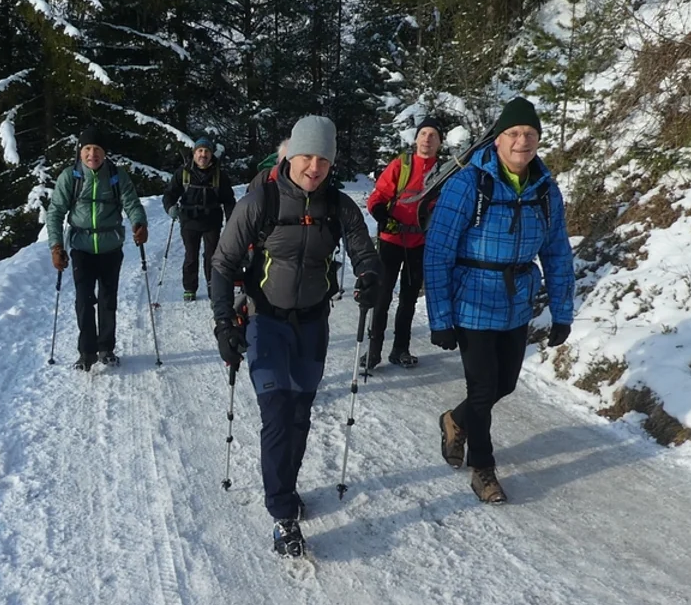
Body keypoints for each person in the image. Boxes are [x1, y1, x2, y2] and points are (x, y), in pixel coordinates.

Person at [210, 116, 381, 557]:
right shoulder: (259, 201)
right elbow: (223, 263)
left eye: (323, 159)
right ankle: (282, 513)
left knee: (301, 412)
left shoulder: (339, 205)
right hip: (265, 321)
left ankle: (286, 484)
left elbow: (363, 247)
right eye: (307, 156)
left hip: (312, 323)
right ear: (291, 155)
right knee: (277, 410)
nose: (314, 167)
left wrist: (370, 273)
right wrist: (224, 323)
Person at [423, 97, 574, 504]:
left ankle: (454, 420)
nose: (521, 141)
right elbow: (437, 251)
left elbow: (558, 251)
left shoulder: (545, 189)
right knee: (483, 386)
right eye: (513, 133)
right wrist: (441, 318)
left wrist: (562, 311)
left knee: (503, 384)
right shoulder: (468, 184)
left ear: (539, 139)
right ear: (498, 138)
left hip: (517, 300)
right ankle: (483, 470)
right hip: (471, 298)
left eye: (529, 133)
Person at [47, 125, 149, 371]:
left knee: (107, 299)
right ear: (80, 151)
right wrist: (56, 246)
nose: (92, 154)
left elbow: (132, 204)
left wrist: (139, 223)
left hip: (110, 247)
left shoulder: (116, 176)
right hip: (81, 247)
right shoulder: (69, 177)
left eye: (97, 149)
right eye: (87, 149)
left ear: (105, 153)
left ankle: (106, 348)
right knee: (83, 300)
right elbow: (55, 212)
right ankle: (86, 352)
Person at [362, 116, 443, 370]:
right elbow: (378, 196)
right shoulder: (402, 164)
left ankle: (400, 349)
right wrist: (382, 216)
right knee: (382, 296)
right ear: (416, 138)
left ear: (440, 142)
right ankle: (373, 352)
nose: (427, 139)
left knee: (408, 299)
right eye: (423, 134)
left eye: (433, 135)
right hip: (391, 240)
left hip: (419, 242)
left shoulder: (443, 171)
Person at [162, 137, 236, 301]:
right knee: (191, 255)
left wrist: (232, 221)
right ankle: (190, 287)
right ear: (194, 153)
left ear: (211, 154)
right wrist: (170, 207)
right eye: (200, 151)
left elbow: (229, 200)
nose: (203, 155)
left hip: (212, 220)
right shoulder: (183, 172)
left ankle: (212, 286)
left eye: (206, 151)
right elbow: (170, 194)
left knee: (212, 256)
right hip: (189, 220)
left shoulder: (219, 175)